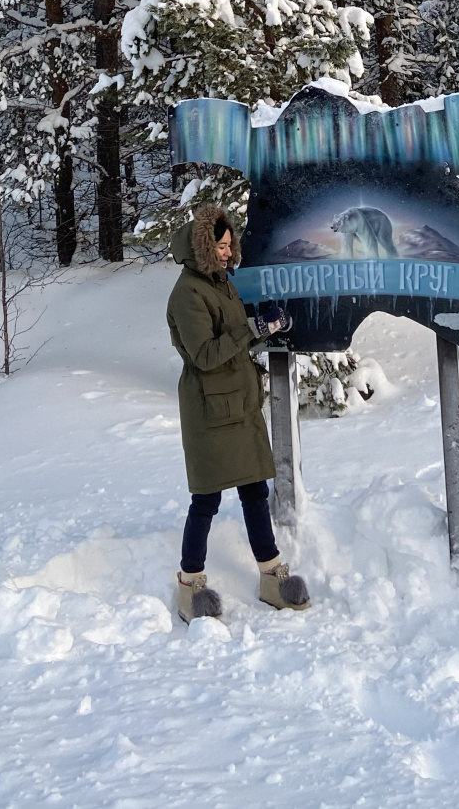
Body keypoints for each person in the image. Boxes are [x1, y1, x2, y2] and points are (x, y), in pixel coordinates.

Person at [166, 203, 311, 623]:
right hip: (209, 411)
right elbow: (206, 354)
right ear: (203, 248)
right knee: (206, 499)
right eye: (221, 247)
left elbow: (233, 337)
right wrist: (253, 330)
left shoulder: (219, 283)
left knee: (253, 492)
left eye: (231, 245)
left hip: (239, 404)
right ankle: (189, 583)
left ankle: (271, 574)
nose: (229, 253)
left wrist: (263, 325)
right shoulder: (186, 293)